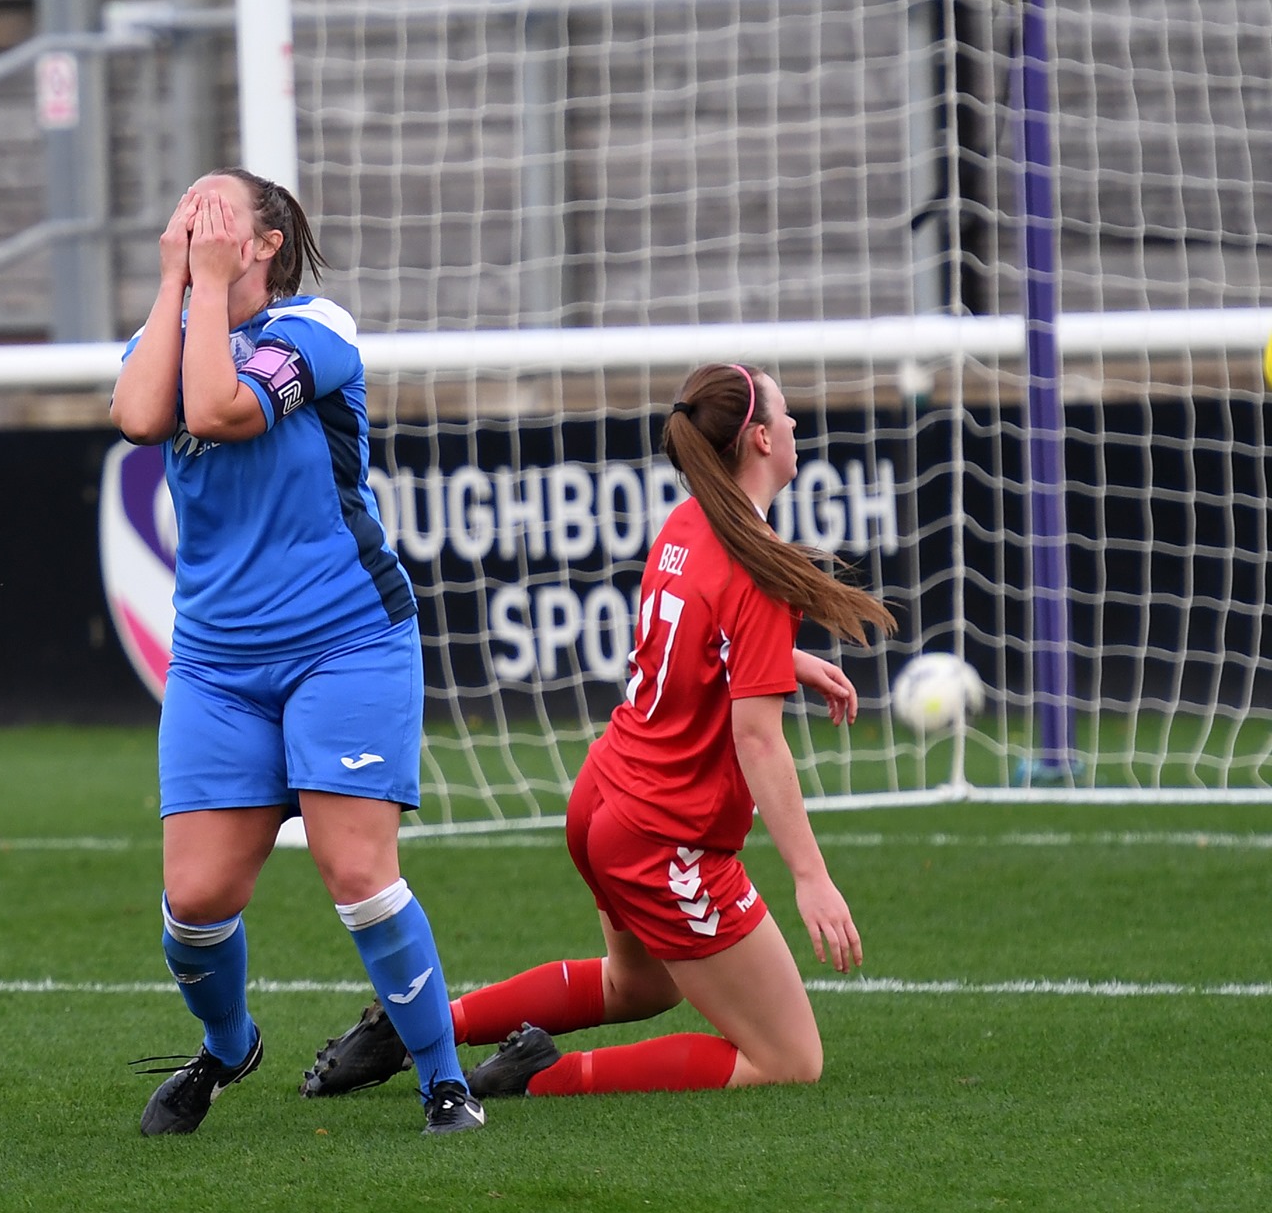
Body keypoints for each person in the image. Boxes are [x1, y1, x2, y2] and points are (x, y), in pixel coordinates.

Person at [299, 362, 896, 1100]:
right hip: (661, 835)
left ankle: (420, 1024)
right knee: (789, 1058)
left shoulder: (688, 525)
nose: (800, 425)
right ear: (763, 437)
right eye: (787, 410)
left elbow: (695, 642)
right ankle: (542, 1074)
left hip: (601, 799)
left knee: (638, 985)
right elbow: (759, 741)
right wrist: (811, 878)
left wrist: (785, 659)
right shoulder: (758, 566)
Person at [111, 169, 484, 1136]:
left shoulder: (318, 329)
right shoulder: (170, 332)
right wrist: (175, 285)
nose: (192, 218)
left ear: (266, 243)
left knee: (356, 871)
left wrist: (205, 292)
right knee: (194, 900)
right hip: (218, 665)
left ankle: (445, 1079)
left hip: (345, 641)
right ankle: (229, 1046)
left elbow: (216, 412)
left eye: (214, 209)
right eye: (182, 207)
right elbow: (140, 417)